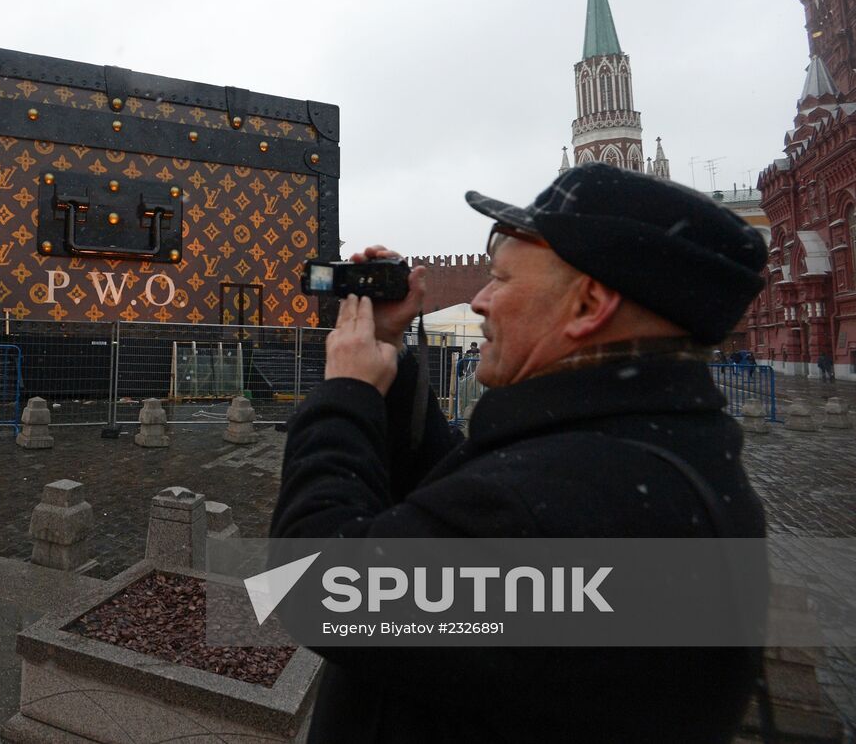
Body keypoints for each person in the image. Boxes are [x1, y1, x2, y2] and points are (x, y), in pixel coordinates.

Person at [272, 163, 769, 743]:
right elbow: (448, 502)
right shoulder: (637, 448)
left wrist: (345, 394)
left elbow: (311, 587)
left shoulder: (567, 506)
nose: (481, 301)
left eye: (502, 279)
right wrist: (390, 355)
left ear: (588, 305)